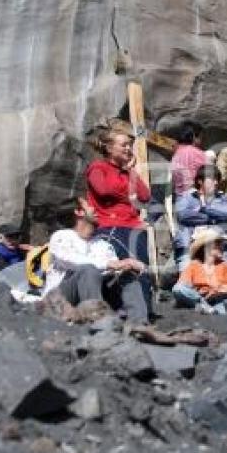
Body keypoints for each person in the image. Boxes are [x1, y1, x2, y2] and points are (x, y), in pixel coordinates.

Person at [85, 119, 153, 314]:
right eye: (124, 145)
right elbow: (104, 190)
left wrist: (130, 171)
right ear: (109, 147)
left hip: (134, 226)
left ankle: (144, 313)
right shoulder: (98, 168)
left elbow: (145, 196)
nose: (128, 149)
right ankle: (117, 312)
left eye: (130, 145)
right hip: (110, 227)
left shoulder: (127, 172)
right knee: (118, 272)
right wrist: (129, 193)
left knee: (141, 269)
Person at [44, 198, 149, 323]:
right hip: (60, 300)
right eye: (88, 205)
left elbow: (110, 270)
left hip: (93, 295)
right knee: (88, 270)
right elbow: (70, 261)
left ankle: (139, 324)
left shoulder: (102, 244)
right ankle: (100, 324)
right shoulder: (61, 236)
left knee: (126, 275)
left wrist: (124, 269)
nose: (94, 208)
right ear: (79, 212)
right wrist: (112, 264)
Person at [173, 228, 227, 314]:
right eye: (218, 244)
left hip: (220, 299)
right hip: (200, 298)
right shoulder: (194, 265)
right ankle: (204, 305)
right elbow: (182, 284)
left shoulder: (226, 265)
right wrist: (199, 294)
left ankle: (216, 310)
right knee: (178, 289)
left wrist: (217, 291)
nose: (222, 247)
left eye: (221, 244)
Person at [174, 165, 227, 270]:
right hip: (190, 246)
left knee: (224, 276)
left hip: (218, 248)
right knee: (187, 276)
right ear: (200, 181)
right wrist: (213, 218)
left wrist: (203, 209)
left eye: (217, 180)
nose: (216, 183)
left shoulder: (223, 198)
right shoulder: (187, 196)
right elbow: (183, 215)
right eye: (212, 179)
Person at [170, 123, 207, 196]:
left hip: (180, 195)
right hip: (194, 195)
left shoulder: (176, 154)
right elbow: (207, 174)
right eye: (201, 137)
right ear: (193, 137)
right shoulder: (197, 153)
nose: (202, 141)